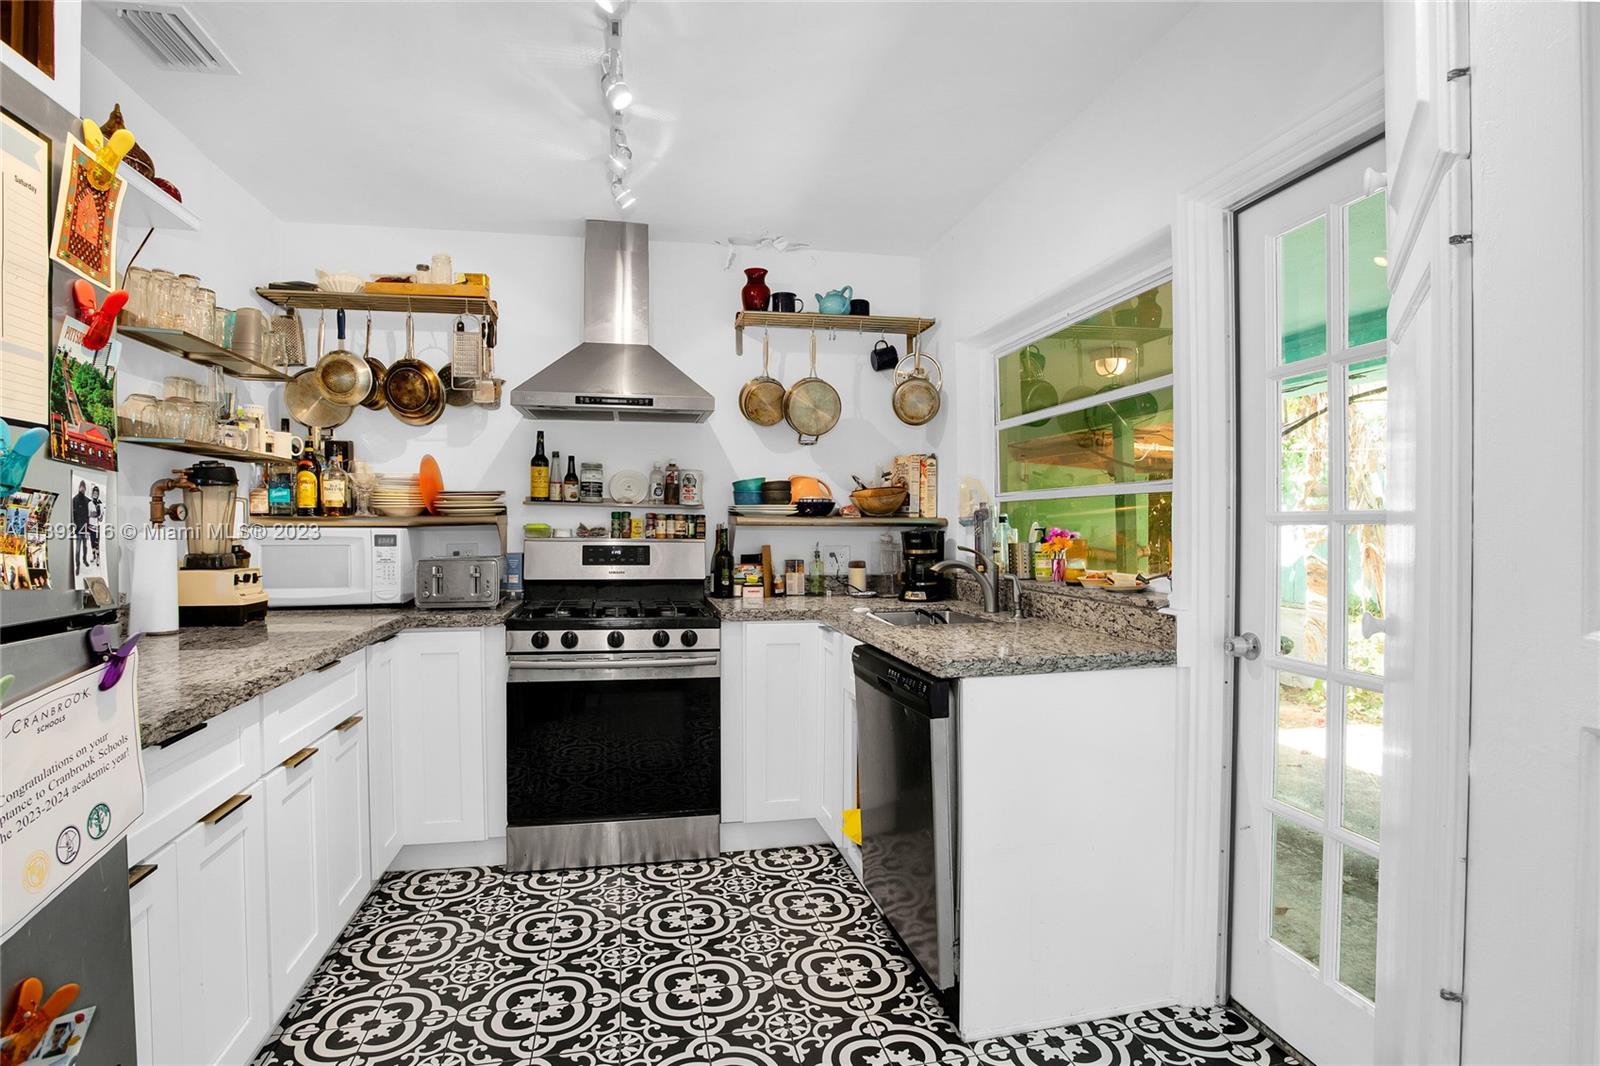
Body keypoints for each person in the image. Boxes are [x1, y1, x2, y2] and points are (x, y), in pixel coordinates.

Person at [71, 481, 90, 567]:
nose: (82, 488)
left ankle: (84, 560)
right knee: (78, 548)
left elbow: (90, 515)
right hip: (78, 529)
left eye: (83, 487)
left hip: (85, 529)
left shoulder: (88, 501)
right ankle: (77, 564)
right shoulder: (74, 500)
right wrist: (74, 526)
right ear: (79, 488)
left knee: (85, 547)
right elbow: (72, 515)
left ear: (85, 489)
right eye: (81, 487)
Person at [88, 484, 103, 564]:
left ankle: (98, 557)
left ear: (98, 494)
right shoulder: (89, 503)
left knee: (97, 543)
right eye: (94, 493)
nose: (95, 495)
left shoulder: (100, 504)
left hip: (97, 527)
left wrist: (99, 513)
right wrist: (92, 514)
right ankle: (93, 555)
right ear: (92, 494)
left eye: (96, 494)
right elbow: (88, 514)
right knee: (92, 543)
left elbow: (101, 519)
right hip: (91, 527)